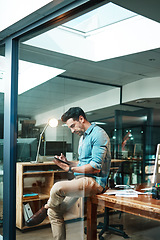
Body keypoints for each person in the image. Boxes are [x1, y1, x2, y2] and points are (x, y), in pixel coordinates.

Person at [26, 107, 111, 240]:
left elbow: (95, 167)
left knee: (56, 187)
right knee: (53, 212)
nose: (72, 130)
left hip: (94, 182)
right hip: (80, 180)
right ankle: (48, 208)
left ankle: (45, 206)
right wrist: (68, 163)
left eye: (72, 126)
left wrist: (70, 170)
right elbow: (83, 164)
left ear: (81, 119)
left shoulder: (98, 134)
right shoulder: (83, 138)